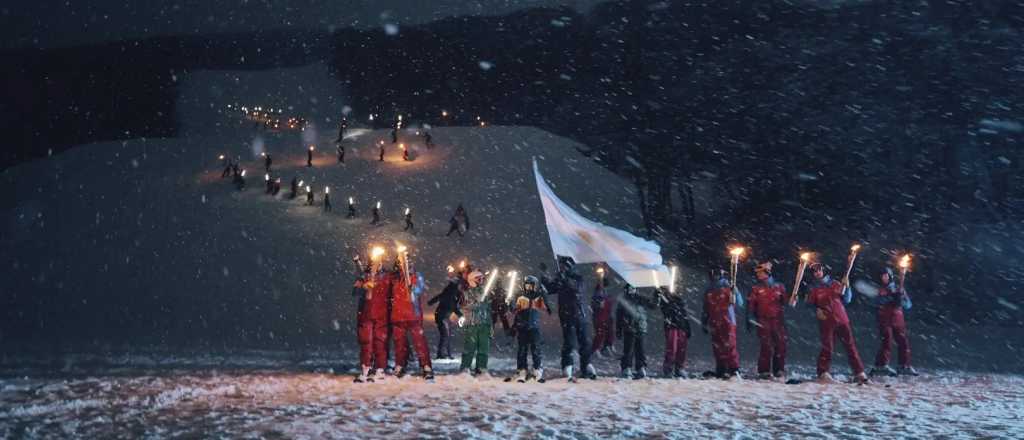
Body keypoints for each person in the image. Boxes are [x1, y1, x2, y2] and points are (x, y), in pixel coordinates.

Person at [804, 261, 868, 384]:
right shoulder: (814, 289)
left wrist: (847, 288)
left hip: (842, 319)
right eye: (814, 271)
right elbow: (810, 304)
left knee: (850, 346)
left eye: (819, 270)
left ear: (823, 270)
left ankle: (859, 372)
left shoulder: (835, 284)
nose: (817, 273)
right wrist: (816, 310)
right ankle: (823, 372)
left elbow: (847, 300)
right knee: (827, 346)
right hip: (826, 321)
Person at [544, 257, 598, 381]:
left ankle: (586, 366)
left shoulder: (578, 278)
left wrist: (565, 279)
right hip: (567, 316)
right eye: (561, 265)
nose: (562, 268)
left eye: (564, 266)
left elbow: (577, 288)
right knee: (569, 342)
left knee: (585, 343)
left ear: (569, 266)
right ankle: (567, 366)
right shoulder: (560, 278)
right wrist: (545, 278)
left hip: (581, 316)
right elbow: (550, 289)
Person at [388, 258, 434, 380]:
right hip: (398, 316)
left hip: (413, 316)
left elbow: (419, 289)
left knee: (420, 343)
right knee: (399, 344)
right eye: (401, 263)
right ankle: (400, 365)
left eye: (408, 263)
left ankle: (426, 366)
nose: (405, 266)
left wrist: (413, 288)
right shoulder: (394, 278)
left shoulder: (416, 276)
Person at [870, 266, 917, 377]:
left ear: (890, 276)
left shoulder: (898, 288)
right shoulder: (878, 289)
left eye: (886, 276)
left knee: (903, 341)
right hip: (884, 319)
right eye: (882, 276)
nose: (884, 278)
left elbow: (908, 305)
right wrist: (890, 298)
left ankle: (904, 365)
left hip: (898, 319)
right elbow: (875, 302)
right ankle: (881, 366)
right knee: (886, 341)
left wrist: (900, 299)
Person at [746, 262, 788, 380]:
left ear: (767, 273)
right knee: (766, 346)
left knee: (781, 345)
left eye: (760, 273)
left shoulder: (779, 287)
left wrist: (792, 298)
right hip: (763, 320)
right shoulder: (755, 289)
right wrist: (749, 318)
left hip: (778, 320)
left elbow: (785, 302)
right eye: (757, 273)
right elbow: (751, 305)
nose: (758, 275)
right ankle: (764, 371)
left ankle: (779, 370)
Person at [506, 275, 552, 383]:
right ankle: (522, 370)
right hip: (523, 326)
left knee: (536, 349)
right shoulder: (521, 297)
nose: (528, 287)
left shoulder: (538, 297)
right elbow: (514, 310)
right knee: (522, 349)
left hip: (534, 327)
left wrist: (544, 295)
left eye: (531, 285)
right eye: (527, 285)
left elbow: (547, 309)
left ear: (534, 286)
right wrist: (510, 304)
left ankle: (537, 370)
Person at [355, 255, 392, 382]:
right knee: (366, 342)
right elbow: (355, 291)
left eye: (379, 262)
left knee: (380, 342)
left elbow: (394, 292)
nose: (377, 264)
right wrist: (363, 288)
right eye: (375, 262)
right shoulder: (363, 277)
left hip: (382, 315)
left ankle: (380, 369)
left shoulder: (387, 277)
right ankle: (366, 368)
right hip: (366, 315)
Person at [701, 269, 743, 379]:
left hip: (727, 321)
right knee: (717, 346)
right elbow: (706, 308)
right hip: (715, 321)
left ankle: (733, 369)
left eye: (716, 274)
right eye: (712, 274)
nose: (714, 276)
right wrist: (704, 321)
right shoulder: (709, 291)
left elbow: (739, 303)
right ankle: (721, 368)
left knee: (729, 345)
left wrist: (736, 293)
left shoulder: (729, 288)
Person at [616, 284, 657, 379]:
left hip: (639, 327)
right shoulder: (624, 300)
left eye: (633, 288)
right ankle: (627, 368)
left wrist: (657, 296)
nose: (632, 290)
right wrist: (619, 329)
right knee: (629, 350)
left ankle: (640, 368)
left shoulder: (640, 298)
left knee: (640, 349)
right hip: (629, 328)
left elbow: (653, 305)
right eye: (630, 289)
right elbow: (619, 316)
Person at [458, 270, 493, 376]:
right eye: (479, 279)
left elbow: (489, 308)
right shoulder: (466, 293)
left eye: (482, 279)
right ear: (472, 280)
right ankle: (465, 368)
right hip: (472, 324)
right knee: (469, 347)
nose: (481, 281)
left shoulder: (485, 292)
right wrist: (474, 304)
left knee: (484, 348)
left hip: (484, 323)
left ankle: (481, 368)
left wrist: (490, 324)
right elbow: (462, 307)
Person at [657, 283, 691, 378]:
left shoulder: (679, 300)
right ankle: (668, 368)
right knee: (672, 347)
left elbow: (684, 314)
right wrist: (660, 294)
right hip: (671, 325)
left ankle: (679, 368)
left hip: (681, 326)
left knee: (681, 348)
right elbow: (663, 308)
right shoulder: (664, 298)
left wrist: (687, 327)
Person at [427, 272, 464, 359]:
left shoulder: (451, 291)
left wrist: (431, 302)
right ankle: (441, 354)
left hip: (443, 316)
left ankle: (446, 353)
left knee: (447, 335)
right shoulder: (451, 292)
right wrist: (460, 314)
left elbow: (440, 297)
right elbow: (452, 306)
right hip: (442, 316)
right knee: (445, 335)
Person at [590, 273, 616, 357]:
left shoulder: (606, 293)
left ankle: (606, 347)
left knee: (609, 332)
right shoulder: (598, 294)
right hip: (599, 317)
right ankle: (595, 349)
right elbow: (595, 304)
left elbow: (608, 305)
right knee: (600, 334)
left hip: (606, 317)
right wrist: (599, 304)